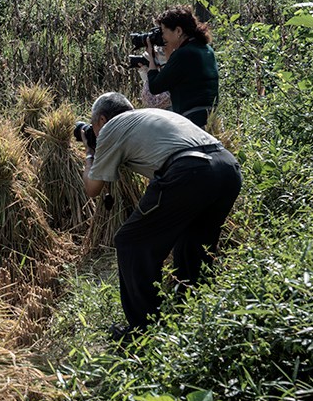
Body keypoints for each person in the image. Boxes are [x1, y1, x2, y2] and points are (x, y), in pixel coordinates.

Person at [81, 92, 242, 337]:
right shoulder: (153, 116)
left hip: (190, 170)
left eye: (94, 127)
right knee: (193, 245)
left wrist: (89, 152)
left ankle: (144, 330)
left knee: (131, 242)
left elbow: (93, 189)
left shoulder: (112, 127)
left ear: (101, 121)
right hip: (227, 168)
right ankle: (195, 321)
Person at [145, 5, 218, 128]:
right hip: (210, 119)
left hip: (191, 122)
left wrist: (151, 58)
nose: (162, 38)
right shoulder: (207, 49)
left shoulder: (183, 54)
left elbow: (155, 86)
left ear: (178, 31)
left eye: (163, 32)